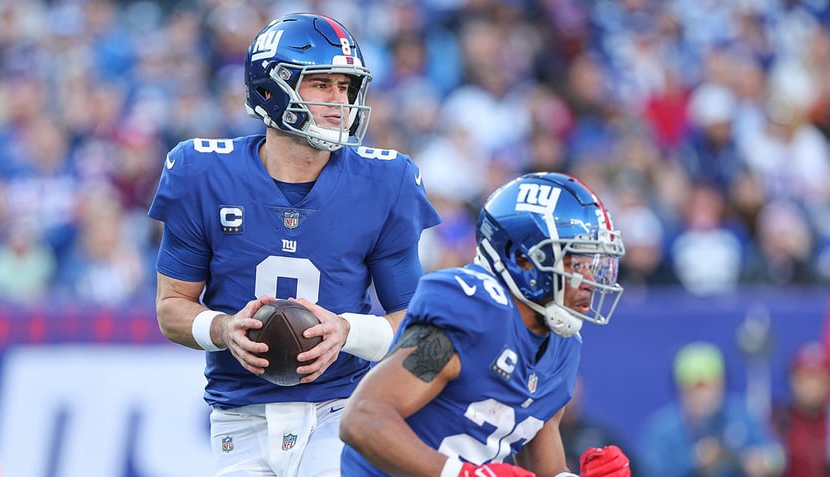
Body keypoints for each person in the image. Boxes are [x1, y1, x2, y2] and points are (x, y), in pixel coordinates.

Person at [147, 13, 441, 477]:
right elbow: (171, 307)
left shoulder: (386, 180)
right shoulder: (200, 172)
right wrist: (224, 329)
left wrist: (347, 331)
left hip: (340, 410)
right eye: (321, 85)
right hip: (238, 420)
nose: (339, 101)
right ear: (270, 88)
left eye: (345, 87)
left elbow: (417, 325)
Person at [340, 172, 631, 477]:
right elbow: (362, 418)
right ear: (522, 259)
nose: (590, 282)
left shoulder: (562, 346)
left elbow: (544, 470)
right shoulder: (474, 315)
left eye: (595, 265)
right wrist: (461, 474)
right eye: (577, 264)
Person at [637, 341, 784, 477]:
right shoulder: (662, 428)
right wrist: (694, 460)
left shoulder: (742, 414)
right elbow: (649, 470)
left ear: (723, 385)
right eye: (694, 388)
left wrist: (763, 461)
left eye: (710, 386)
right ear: (679, 389)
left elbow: (778, 455)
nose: (703, 396)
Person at [771, 340, 830, 477]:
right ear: (792, 380)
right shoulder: (776, 420)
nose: (811, 386)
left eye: (818, 378)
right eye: (804, 378)